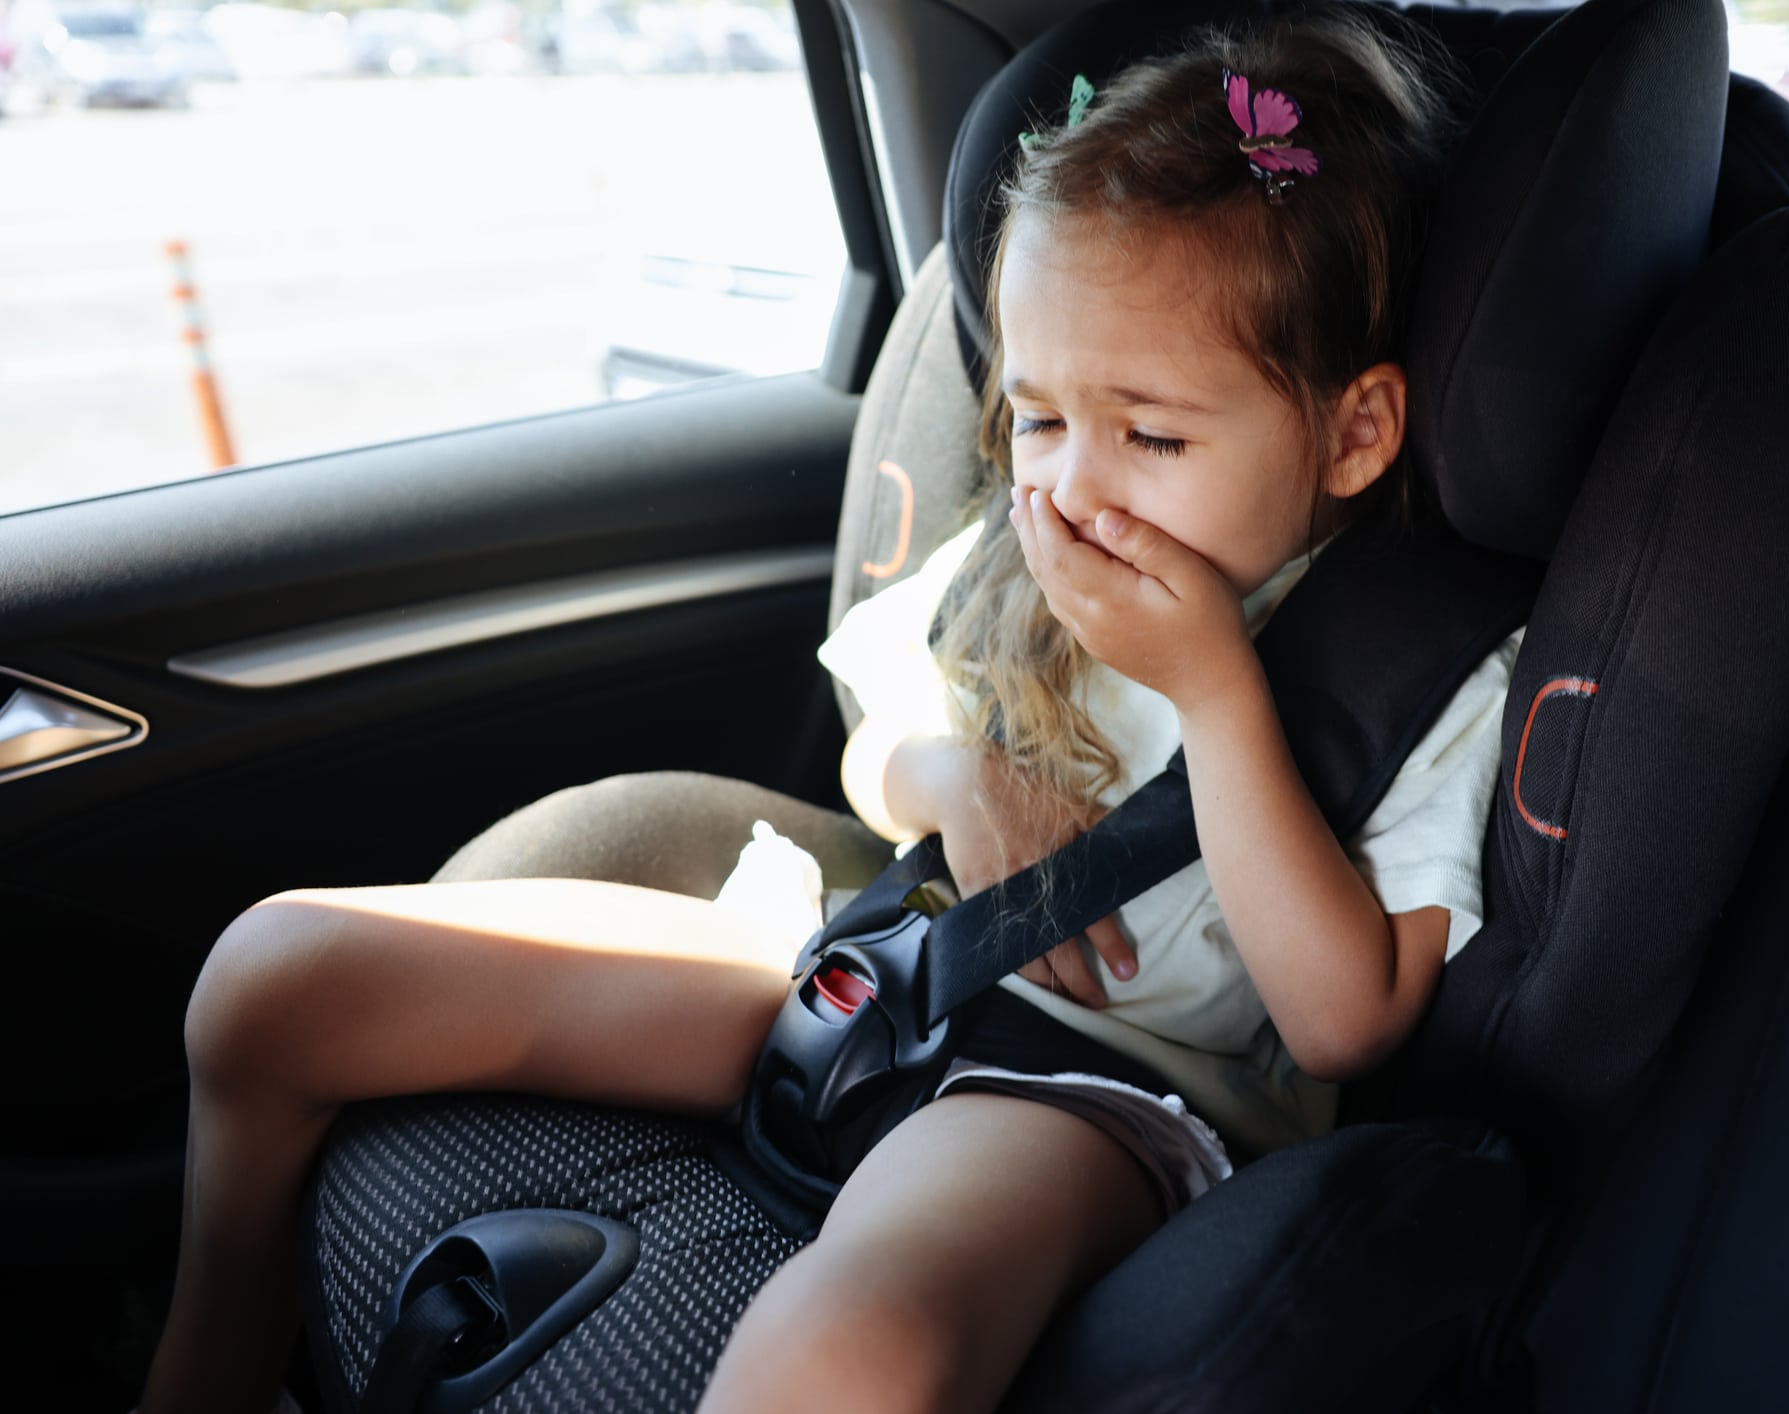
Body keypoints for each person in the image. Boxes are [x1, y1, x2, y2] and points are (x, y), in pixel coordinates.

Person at [138, 12, 1524, 1414]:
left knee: (842, 1358)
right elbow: (879, 735)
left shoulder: (1421, 671)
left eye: (1152, 434)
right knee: (278, 975)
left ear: (1354, 429)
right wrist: (953, 774)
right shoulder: (1036, 542)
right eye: (1037, 415)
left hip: (1095, 1087)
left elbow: (1346, 1021)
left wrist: (1216, 692)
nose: (1072, 485)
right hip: (871, 953)